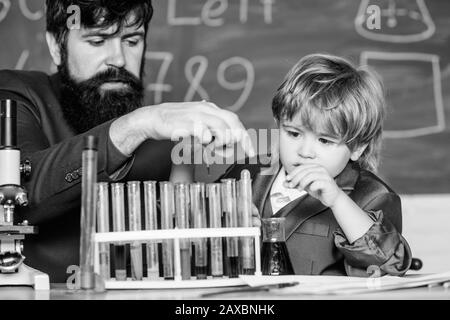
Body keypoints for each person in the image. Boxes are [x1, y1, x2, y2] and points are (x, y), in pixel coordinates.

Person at [0, 0, 254, 282]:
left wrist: (224, 222)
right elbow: (18, 192)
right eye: (97, 41)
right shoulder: (16, 94)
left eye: (132, 40)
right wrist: (137, 124)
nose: (118, 59)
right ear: (56, 46)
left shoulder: (169, 142)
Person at [219, 53, 412, 276]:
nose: (305, 152)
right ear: (278, 124)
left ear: (357, 147)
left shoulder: (374, 195)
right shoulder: (244, 175)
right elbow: (190, 236)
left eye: (324, 140)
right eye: (293, 133)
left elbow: (391, 263)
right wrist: (226, 221)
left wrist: (338, 201)